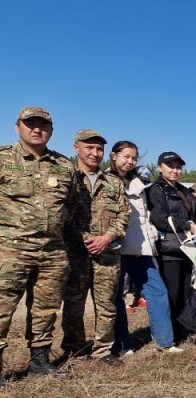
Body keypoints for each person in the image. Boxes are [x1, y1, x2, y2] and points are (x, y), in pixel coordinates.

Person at [0, 107, 81, 382]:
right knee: (1, 309)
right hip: (10, 250)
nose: (37, 129)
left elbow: (71, 205)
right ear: (17, 127)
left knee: (46, 309)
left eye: (43, 125)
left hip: (52, 252)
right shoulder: (3, 158)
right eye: (30, 124)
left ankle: (39, 363)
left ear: (51, 130)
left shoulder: (64, 165)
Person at [60, 129, 130, 365]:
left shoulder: (114, 182)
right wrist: (86, 238)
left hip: (107, 254)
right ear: (76, 148)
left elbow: (124, 215)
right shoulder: (66, 177)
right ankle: (74, 349)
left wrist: (106, 238)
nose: (94, 153)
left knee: (106, 306)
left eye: (99, 149)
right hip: (75, 254)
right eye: (89, 147)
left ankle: (103, 351)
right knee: (73, 305)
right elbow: (60, 213)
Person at [107, 141, 180, 355]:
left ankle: (165, 341)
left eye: (133, 158)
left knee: (157, 292)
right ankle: (122, 343)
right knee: (117, 297)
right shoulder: (107, 180)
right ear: (114, 156)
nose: (130, 161)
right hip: (117, 248)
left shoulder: (140, 182)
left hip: (141, 248)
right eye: (125, 156)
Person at [147, 151, 196, 344]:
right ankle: (167, 332)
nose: (175, 170)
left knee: (185, 292)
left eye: (179, 167)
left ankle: (181, 329)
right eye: (171, 166)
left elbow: (193, 216)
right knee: (172, 292)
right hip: (169, 249)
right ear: (160, 167)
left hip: (188, 248)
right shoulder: (156, 190)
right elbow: (160, 219)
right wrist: (186, 225)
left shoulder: (184, 191)